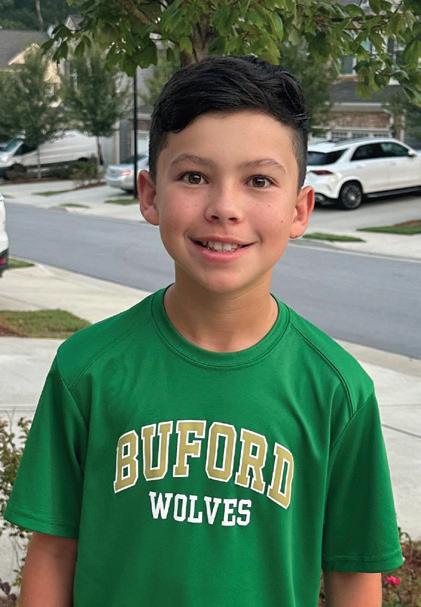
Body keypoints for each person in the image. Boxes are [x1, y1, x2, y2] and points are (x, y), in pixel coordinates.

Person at [5, 56, 402, 606]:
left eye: (259, 181)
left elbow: (352, 573)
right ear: (150, 195)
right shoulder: (86, 370)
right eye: (194, 177)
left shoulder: (338, 390)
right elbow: (53, 552)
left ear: (299, 209)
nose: (224, 208)